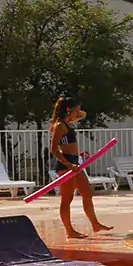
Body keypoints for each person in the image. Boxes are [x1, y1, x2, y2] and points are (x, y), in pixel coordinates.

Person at [47, 95, 110, 239]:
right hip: (66, 165)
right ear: (69, 110)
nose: (79, 113)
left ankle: (95, 224)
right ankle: (69, 231)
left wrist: (74, 111)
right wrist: (69, 165)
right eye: (77, 110)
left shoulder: (67, 123)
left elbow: (83, 115)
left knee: (87, 194)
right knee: (67, 199)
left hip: (75, 164)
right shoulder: (60, 126)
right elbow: (54, 150)